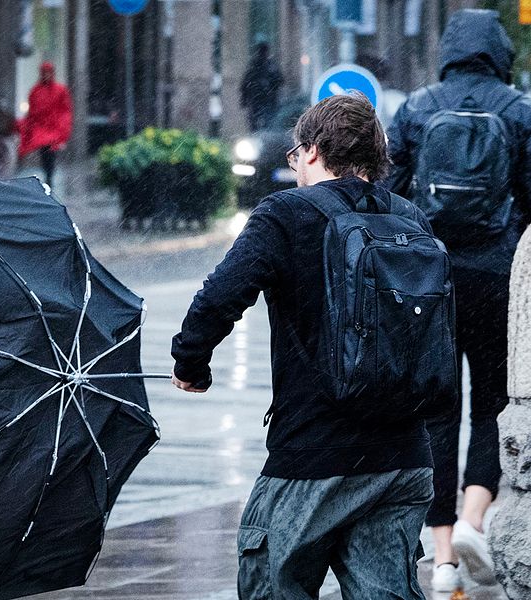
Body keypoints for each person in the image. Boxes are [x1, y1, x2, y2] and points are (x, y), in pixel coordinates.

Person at [171, 94, 447, 599]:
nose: (294, 166)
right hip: (404, 457)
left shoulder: (286, 214)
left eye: (294, 155)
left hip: (314, 455)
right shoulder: (411, 218)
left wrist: (192, 362)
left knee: (272, 585)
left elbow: (220, 296)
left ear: (314, 150)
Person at [386, 8, 531, 594]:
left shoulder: (418, 107)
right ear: (499, 51)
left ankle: (443, 557)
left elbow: (387, 193)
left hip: (432, 282)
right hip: (496, 278)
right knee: (493, 402)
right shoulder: (518, 110)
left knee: (437, 410)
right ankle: (475, 518)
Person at [17, 61, 73, 187]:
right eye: (44, 73)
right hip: (41, 127)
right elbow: (32, 111)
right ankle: (48, 174)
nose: (46, 75)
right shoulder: (36, 91)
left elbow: (65, 109)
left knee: (50, 152)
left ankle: (49, 175)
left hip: (53, 127)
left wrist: (63, 126)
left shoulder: (60, 90)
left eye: (48, 73)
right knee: (45, 151)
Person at [240, 42, 284, 132]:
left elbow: (280, 80)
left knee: (268, 123)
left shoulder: (270, 66)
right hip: (258, 101)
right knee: (257, 125)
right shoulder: (256, 65)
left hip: (267, 101)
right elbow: (245, 83)